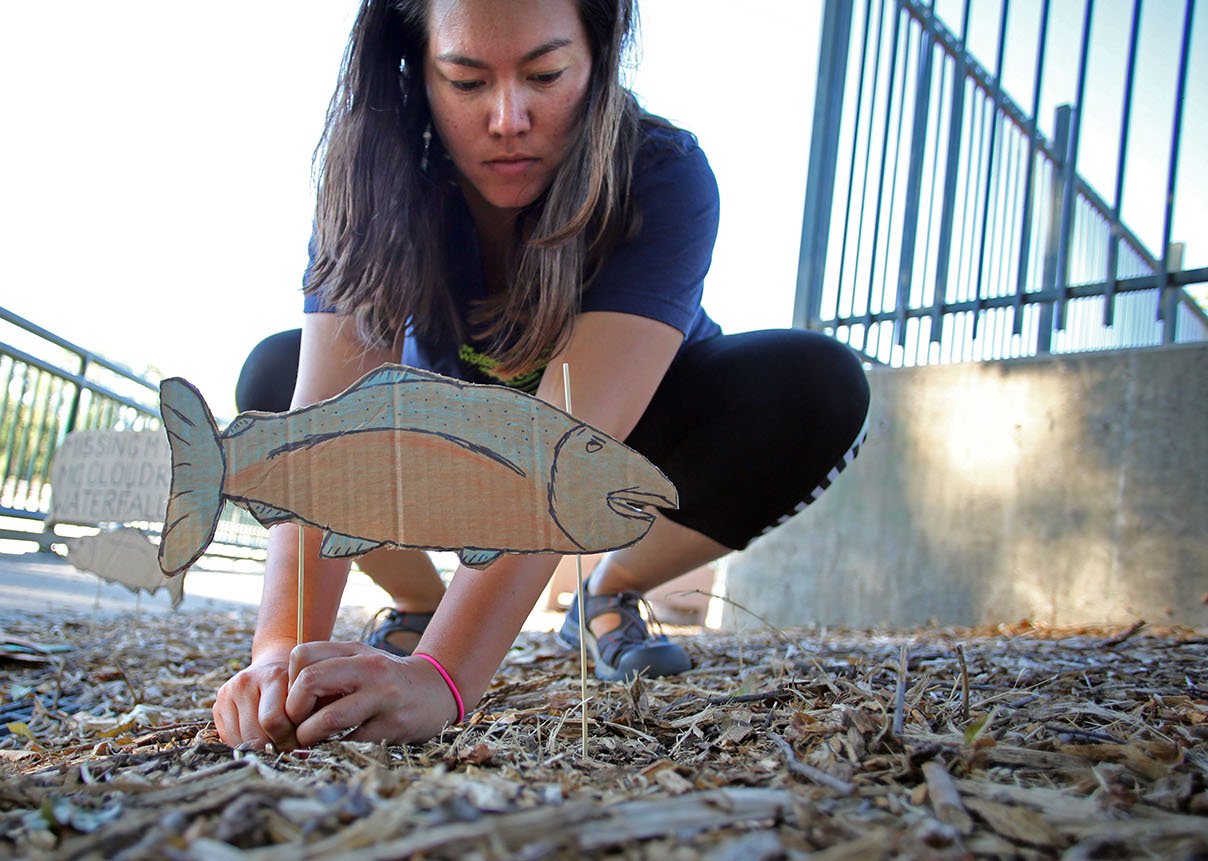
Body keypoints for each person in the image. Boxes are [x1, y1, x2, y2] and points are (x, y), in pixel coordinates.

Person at [216, 0, 870, 750]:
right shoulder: (374, 179)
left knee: (814, 385)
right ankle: (417, 601)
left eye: (546, 74)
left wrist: (443, 676)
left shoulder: (662, 172)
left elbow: (564, 442)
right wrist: (278, 659)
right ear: (415, 71)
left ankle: (609, 592)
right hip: (447, 441)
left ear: (598, 61)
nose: (507, 118)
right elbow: (322, 417)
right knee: (275, 378)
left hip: (613, 441)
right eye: (465, 80)